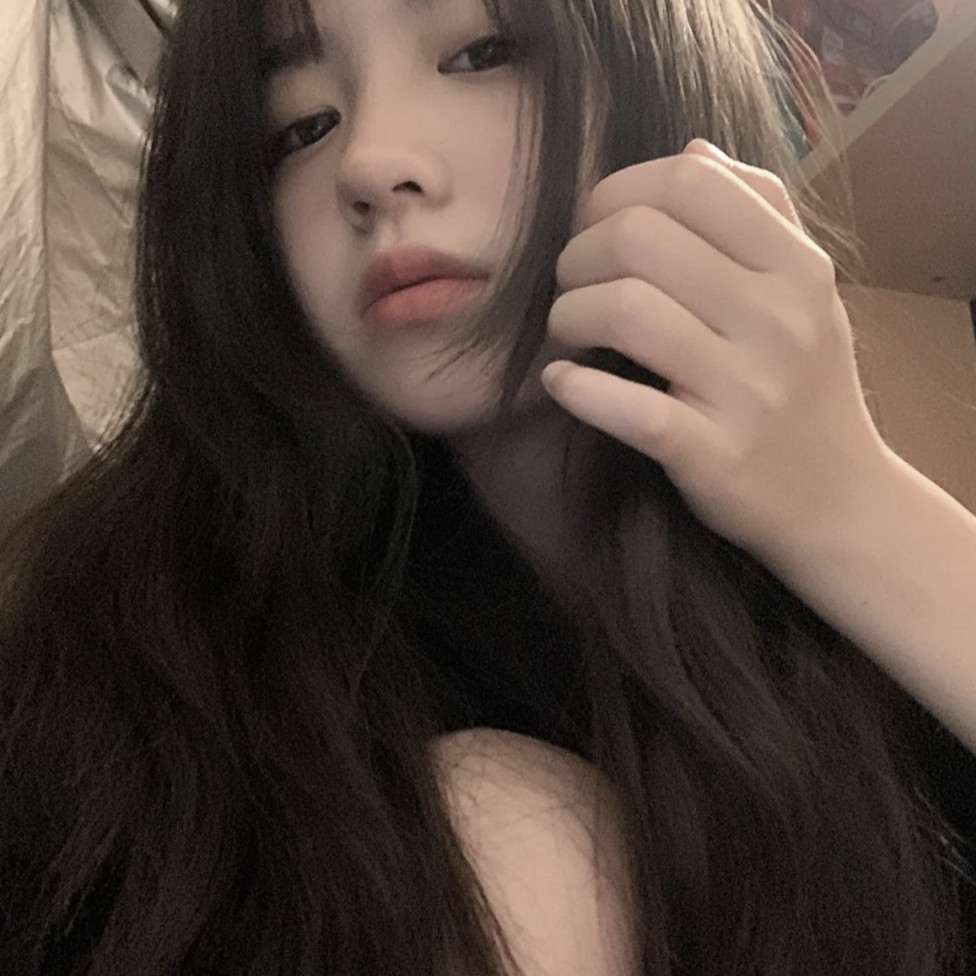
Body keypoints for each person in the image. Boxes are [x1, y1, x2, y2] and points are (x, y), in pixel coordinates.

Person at [2, 0, 976, 972]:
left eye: (483, 53)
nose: (370, 163)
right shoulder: (120, 674)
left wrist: (853, 505)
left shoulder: (834, 652)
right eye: (300, 126)